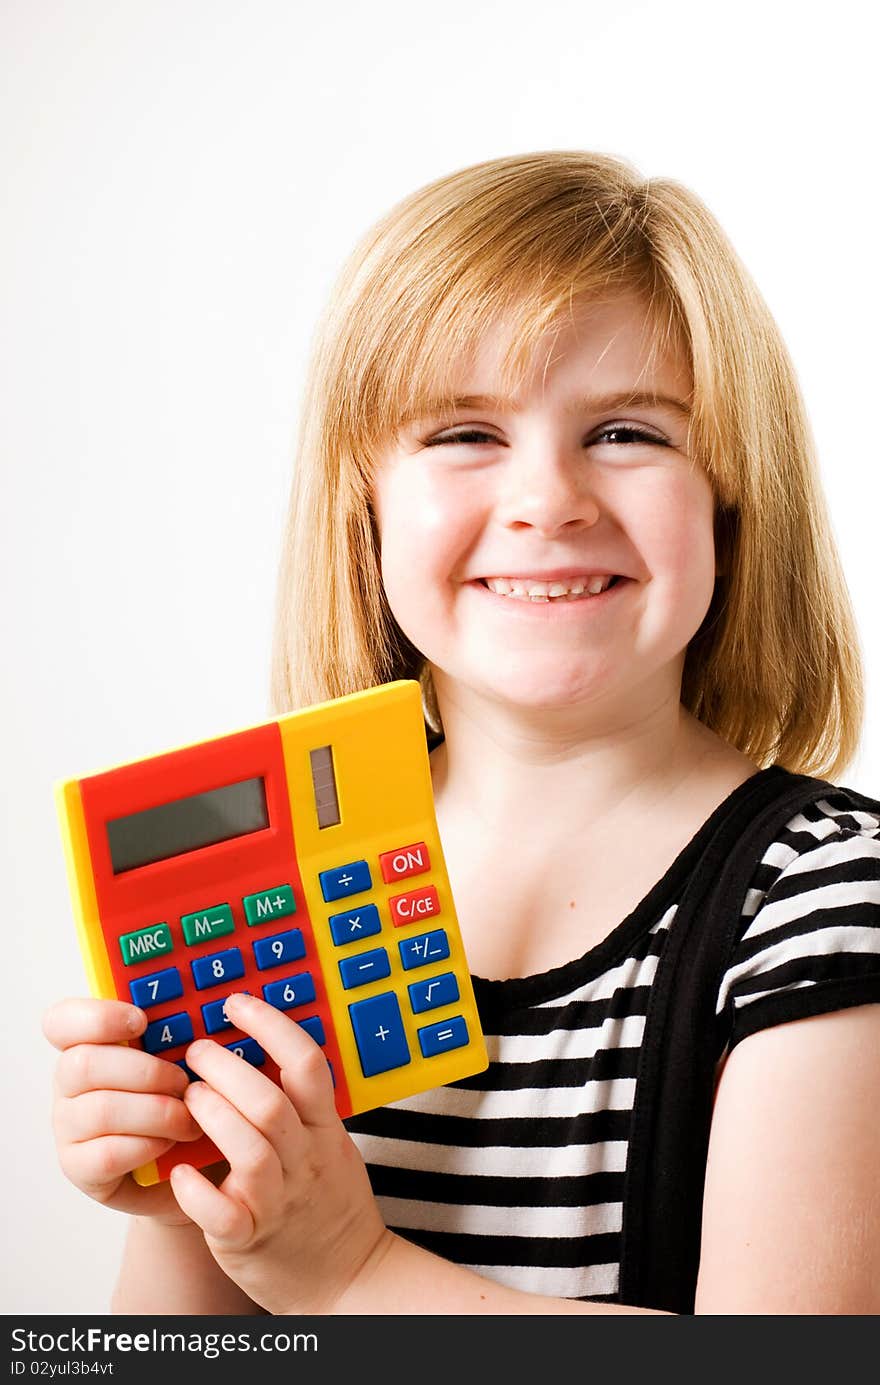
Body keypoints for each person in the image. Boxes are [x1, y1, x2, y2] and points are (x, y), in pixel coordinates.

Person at [44, 151, 880, 1316]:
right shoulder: (282, 886)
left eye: (629, 431)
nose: (548, 500)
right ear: (365, 505)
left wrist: (348, 1273)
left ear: (731, 502)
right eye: (463, 434)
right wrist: (201, 1197)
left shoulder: (824, 896)